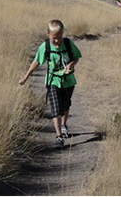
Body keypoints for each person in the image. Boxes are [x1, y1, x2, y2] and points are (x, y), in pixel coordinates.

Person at [19, 20, 82, 148]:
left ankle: (63, 125)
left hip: (68, 81)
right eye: (54, 38)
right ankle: (59, 136)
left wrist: (70, 65)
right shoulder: (45, 47)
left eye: (59, 37)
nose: (57, 41)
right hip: (52, 80)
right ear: (48, 34)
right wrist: (26, 77)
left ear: (63, 34)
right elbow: (37, 62)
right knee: (56, 108)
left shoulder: (69, 44)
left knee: (65, 105)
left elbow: (77, 57)